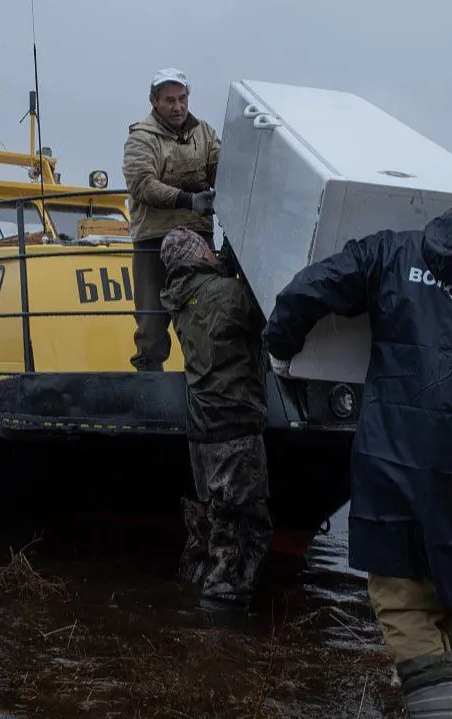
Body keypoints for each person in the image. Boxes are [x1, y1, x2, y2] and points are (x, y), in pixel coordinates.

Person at [264, 164, 452, 718]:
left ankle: (437, 705)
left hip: (395, 458)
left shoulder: (392, 253)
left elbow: (308, 289)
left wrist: (281, 345)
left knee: (402, 601)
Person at [158, 227, 272, 611]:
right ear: (199, 256)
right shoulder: (225, 295)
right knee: (240, 523)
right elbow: (262, 312)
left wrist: (223, 265)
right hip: (233, 425)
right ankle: (222, 613)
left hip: (201, 430)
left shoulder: (179, 297)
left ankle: (189, 587)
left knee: (207, 517)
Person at [121, 68, 221, 372]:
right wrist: (190, 199)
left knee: (203, 314)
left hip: (198, 238)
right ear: (154, 102)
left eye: (182, 99)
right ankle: (150, 386)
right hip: (154, 239)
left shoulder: (204, 133)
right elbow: (142, 184)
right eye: (169, 100)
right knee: (151, 321)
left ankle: (206, 383)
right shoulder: (141, 137)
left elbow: (223, 170)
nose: (177, 106)